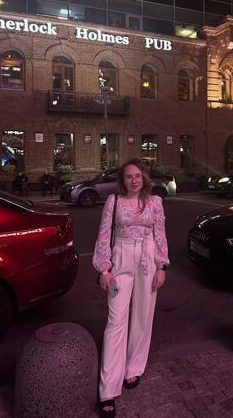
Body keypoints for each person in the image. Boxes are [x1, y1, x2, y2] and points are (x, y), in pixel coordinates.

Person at [93, 158, 169, 418]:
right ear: (122, 180)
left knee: (142, 318)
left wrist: (162, 266)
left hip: (148, 261)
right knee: (115, 322)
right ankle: (107, 390)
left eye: (138, 176)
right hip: (121, 261)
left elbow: (160, 235)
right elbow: (104, 235)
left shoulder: (155, 202)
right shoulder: (113, 202)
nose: (134, 180)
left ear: (144, 178)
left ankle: (133, 368)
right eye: (129, 176)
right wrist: (104, 269)